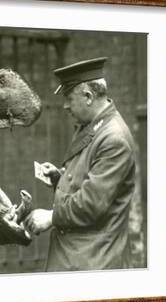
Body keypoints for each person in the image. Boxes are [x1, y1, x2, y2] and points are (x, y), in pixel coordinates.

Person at [24, 57, 137, 271]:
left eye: (69, 97)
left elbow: (92, 203)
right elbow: (89, 178)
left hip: (95, 261)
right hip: (78, 256)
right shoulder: (92, 126)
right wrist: (59, 178)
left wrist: (51, 217)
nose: (65, 106)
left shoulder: (113, 138)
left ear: (88, 96)